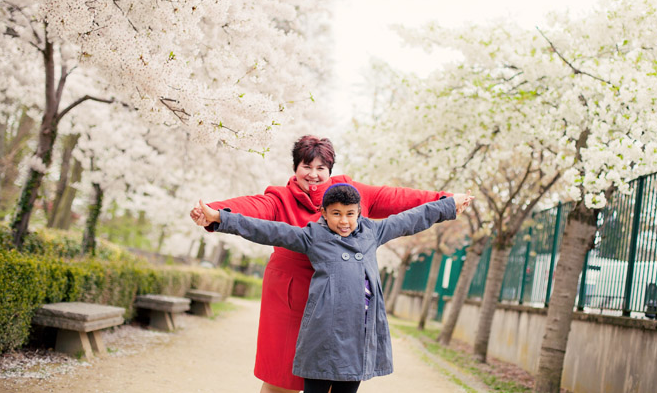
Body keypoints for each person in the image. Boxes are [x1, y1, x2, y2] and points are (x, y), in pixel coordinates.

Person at [190, 135, 457, 393]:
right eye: (306, 166)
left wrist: (444, 200)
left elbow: (397, 200)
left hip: (339, 305)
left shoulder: (352, 194)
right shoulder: (280, 198)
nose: (313, 174)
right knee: (281, 379)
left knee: (333, 374)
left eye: (321, 168)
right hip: (290, 297)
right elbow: (254, 213)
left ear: (330, 170)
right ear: (295, 168)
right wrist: (215, 212)